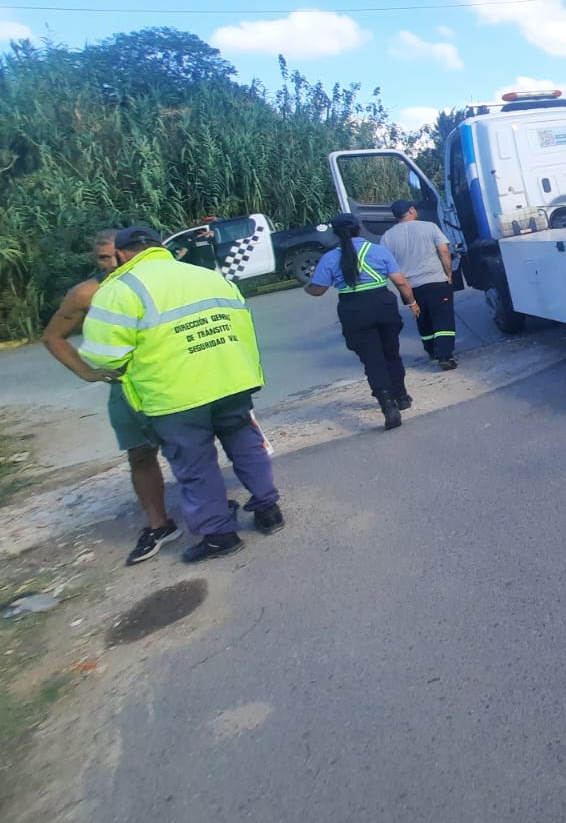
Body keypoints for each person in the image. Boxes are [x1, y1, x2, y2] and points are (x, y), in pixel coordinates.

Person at [80, 226, 281, 564]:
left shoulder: (120, 288)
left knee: (196, 465)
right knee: (246, 447)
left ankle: (220, 535)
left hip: (174, 395)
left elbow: (102, 356)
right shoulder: (206, 275)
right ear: (159, 246)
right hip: (231, 380)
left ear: (124, 253)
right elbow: (241, 325)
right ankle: (269, 510)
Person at [42, 229, 181, 566]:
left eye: (119, 253)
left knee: (190, 444)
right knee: (140, 455)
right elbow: (53, 336)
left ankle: (208, 504)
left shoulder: (162, 279)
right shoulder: (88, 293)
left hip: (172, 379)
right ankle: (158, 524)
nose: (114, 261)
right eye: (105, 256)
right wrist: (87, 373)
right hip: (127, 388)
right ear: (97, 260)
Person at [304, 214, 421, 430]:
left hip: (353, 310)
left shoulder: (330, 258)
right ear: (359, 228)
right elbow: (400, 281)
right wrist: (411, 302)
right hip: (383, 305)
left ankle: (388, 406)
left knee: (372, 361)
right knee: (391, 354)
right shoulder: (378, 251)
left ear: (335, 233)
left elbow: (317, 290)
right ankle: (402, 397)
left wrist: (308, 287)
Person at [383, 199, 458, 370]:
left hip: (410, 286)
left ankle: (431, 350)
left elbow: (388, 264)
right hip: (435, 280)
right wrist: (449, 273)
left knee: (423, 319)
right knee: (442, 319)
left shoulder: (387, 237)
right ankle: (445, 356)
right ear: (410, 210)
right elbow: (444, 251)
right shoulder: (429, 227)